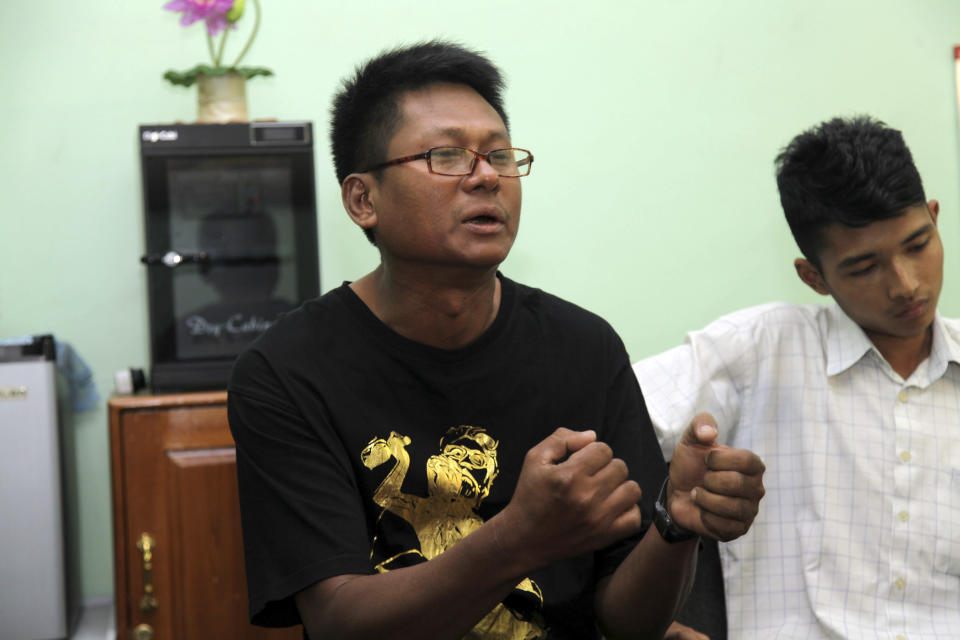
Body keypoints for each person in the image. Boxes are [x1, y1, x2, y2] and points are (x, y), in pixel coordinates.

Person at [227, 40, 765, 640]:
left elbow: (627, 622)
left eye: (501, 155)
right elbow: (339, 621)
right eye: (448, 156)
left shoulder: (583, 347)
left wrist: (674, 523)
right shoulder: (286, 371)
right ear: (363, 199)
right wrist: (519, 536)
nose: (486, 176)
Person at [634, 115, 960, 639]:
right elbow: (596, 417)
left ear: (936, 219)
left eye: (918, 244)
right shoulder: (762, 348)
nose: (905, 284)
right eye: (864, 267)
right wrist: (642, 619)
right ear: (814, 276)